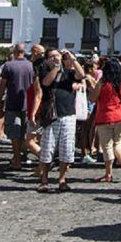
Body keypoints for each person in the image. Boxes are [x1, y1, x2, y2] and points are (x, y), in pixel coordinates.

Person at [36, 50, 85, 193]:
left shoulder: (68, 73)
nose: (55, 58)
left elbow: (81, 75)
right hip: (51, 116)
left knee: (66, 149)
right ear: (47, 60)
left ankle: (62, 180)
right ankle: (44, 180)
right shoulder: (44, 71)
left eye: (57, 56)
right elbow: (46, 82)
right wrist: (56, 67)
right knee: (47, 148)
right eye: (51, 56)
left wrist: (73, 59)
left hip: (68, 115)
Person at [90, 58, 121, 182]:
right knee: (118, 143)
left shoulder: (103, 82)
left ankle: (108, 173)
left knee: (107, 146)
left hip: (105, 116)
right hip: (120, 116)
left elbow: (92, 99)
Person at [0, 43, 36, 170]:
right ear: (24, 52)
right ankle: (24, 155)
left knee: (15, 133)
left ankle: (17, 159)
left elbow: (2, 85)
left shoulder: (8, 65)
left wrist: (0, 100)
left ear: (14, 52)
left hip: (13, 103)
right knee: (25, 132)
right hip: (29, 104)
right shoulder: (31, 65)